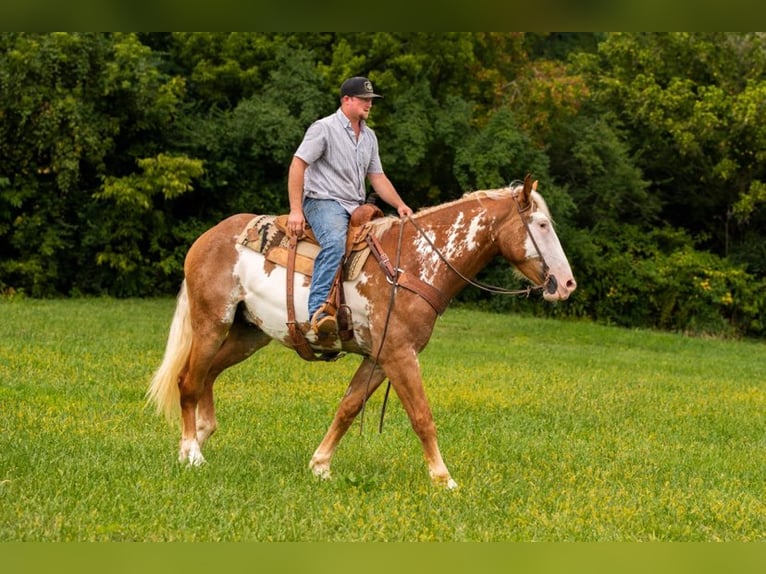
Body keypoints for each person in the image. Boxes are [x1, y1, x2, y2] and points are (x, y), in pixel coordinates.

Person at [287, 76, 413, 335]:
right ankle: (319, 311)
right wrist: (296, 210)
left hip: (356, 207)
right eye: (364, 100)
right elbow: (298, 164)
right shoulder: (324, 128)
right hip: (323, 202)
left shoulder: (369, 137)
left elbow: (377, 177)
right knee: (334, 242)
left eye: (371, 100)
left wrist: (400, 205)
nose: (369, 104)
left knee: (387, 244)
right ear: (346, 100)